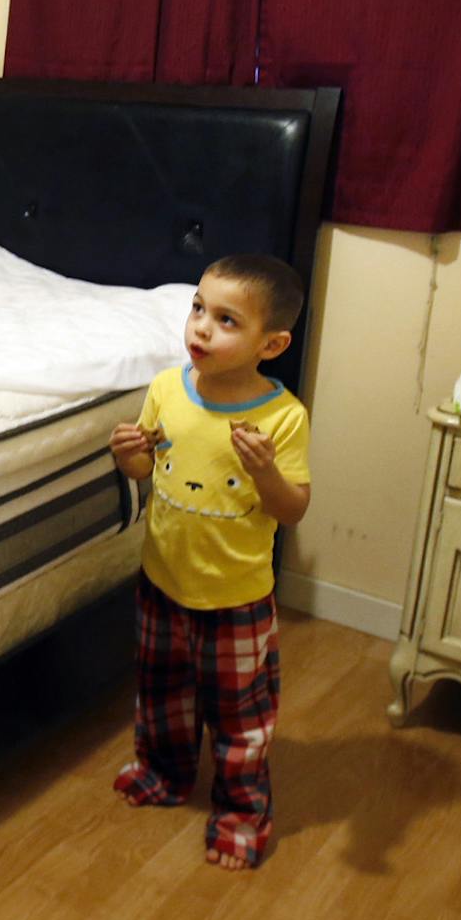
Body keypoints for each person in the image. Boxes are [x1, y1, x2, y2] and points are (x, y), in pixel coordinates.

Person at [107, 255, 312, 871]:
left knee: (239, 715)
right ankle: (164, 772)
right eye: (198, 308)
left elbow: (292, 509)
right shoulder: (168, 389)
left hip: (235, 598)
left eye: (226, 320)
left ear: (270, 344)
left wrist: (265, 471)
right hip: (162, 578)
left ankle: (240, 814)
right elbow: (148, 467)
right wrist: (129, 456)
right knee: (161, 692)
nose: (200, 328)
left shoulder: (281, 418)